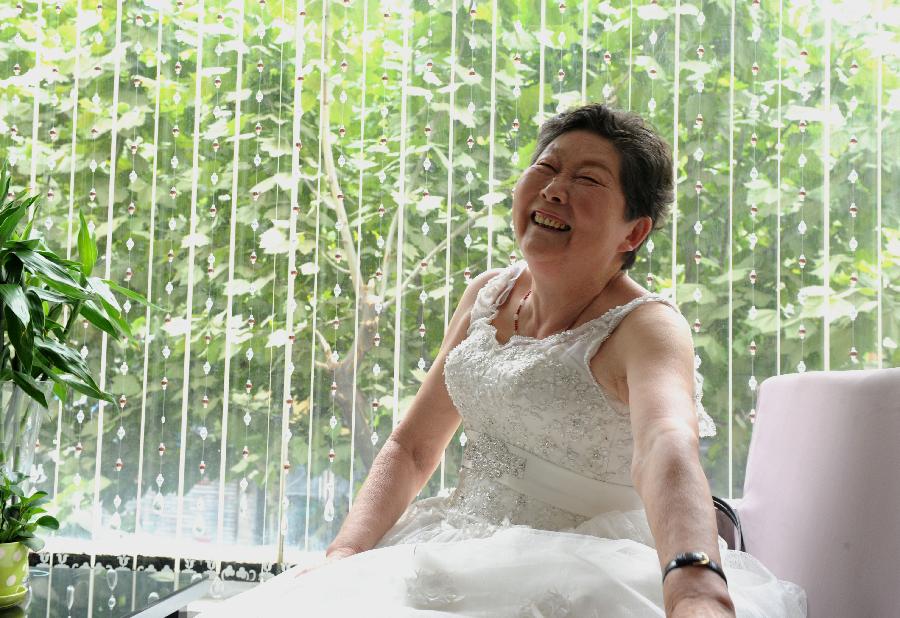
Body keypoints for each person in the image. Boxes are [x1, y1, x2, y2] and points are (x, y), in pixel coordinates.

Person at [206, 105, 806, 617]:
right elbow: (412, 448)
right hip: (450, 542)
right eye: (546, 167)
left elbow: (666, 447)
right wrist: (344, 557)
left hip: (583, 569)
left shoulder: (647, 327)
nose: (554, 188)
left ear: (633, 232)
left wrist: (695, 583)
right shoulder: (487, 294)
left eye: (589, 180)